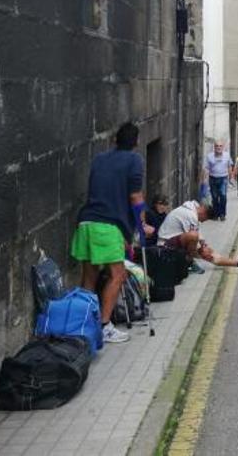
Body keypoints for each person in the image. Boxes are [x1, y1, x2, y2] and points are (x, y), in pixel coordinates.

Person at [71, 122, 152, 343]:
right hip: (107, 227)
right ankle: (105, 326)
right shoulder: (134, 160)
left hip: (86, 223)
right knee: (118, 276)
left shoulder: (99, 159)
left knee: (89, 277)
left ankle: (86, 322)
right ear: (136, 142)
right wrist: (141, 226)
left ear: (115, 140)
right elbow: (135, 197)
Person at [157, 200, 238, 273]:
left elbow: (197, 235)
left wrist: (204, 245)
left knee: (209, 252)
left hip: (178, 240)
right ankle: (189, 263)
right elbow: (193, 235)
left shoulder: (193, 207)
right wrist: (202, 248)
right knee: (195, 238)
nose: (202, 221)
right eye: (204, 219)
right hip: (165, 245)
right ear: (203, 212)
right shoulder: (190, 215)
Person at [203, 142, 234, 221]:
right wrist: (204, 180)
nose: (218, 147)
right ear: (214, 147)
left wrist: (231, 177)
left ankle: (222, 214)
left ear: (223, 147)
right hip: (213, 178)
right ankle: (216, 214)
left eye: (220, 146)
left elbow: (229, 166)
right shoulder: (209, 156)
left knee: (223, 196)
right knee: (215, 197)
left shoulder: (227, 155)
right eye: (217, 146)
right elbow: (206, 168)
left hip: (223, 178)